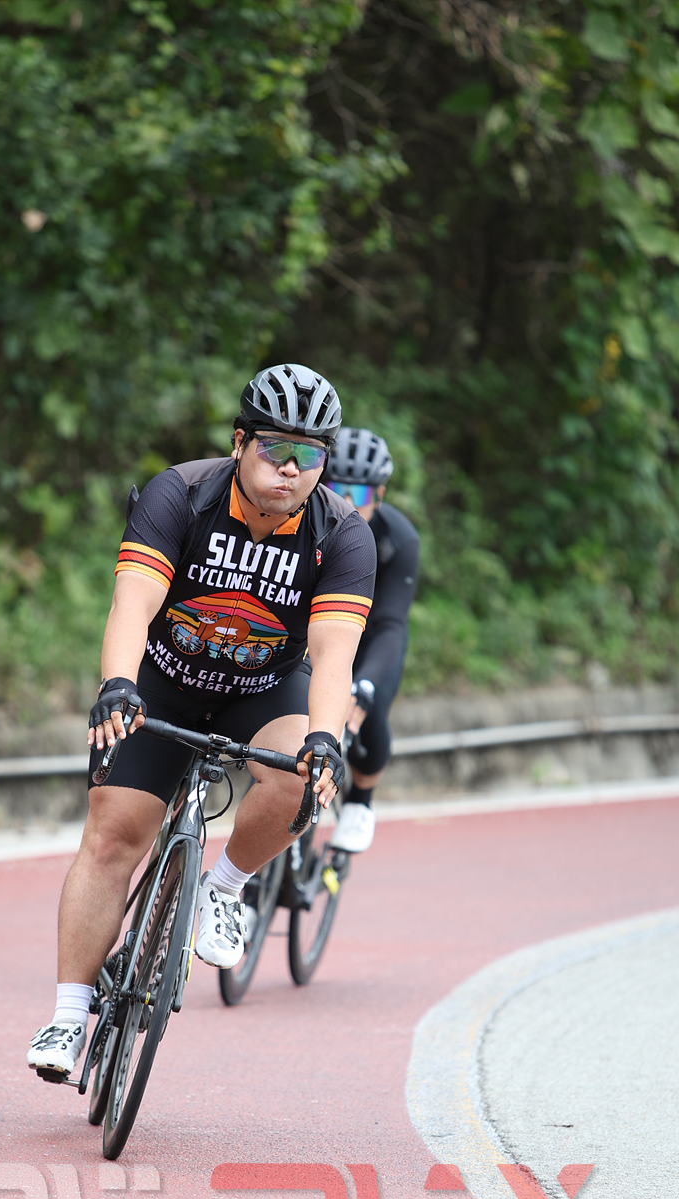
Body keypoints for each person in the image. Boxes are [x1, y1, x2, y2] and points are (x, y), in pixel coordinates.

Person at [27, 365, 377, 1079]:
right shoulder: (181, 494)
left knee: (300, 779)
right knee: (112, 837)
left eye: (309, 455)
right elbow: (133, 604)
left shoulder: (342, 534)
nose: (290, 468)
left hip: (264, 689)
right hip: (165, 681)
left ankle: (224, 885)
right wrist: (118, 685)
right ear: (239, 442)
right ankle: (66, 1017)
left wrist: (325, 739)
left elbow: (334, 654)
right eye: (275, 448)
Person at [322, 429, 420, 854]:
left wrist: (362, 685)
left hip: (372, 636)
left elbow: (392, 623)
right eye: (335, 488)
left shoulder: (399, 538)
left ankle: (361, 800)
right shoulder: (298, 522)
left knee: (369, 704)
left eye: (358, 492)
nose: (346, 501)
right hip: (316, 630)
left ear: (378, 496)